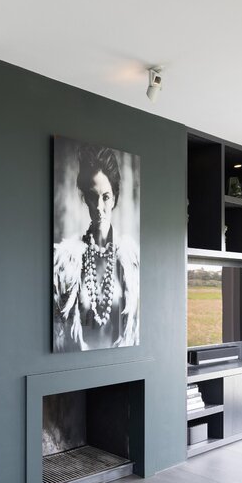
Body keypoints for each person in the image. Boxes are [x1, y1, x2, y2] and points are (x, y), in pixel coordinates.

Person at [53, 144, 139, 351]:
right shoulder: (66, 261)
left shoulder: (131, 260)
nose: (99, 207)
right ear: (85, 199)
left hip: (122, 363)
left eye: (106, 197)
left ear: (114, 198)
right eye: (93, 196)